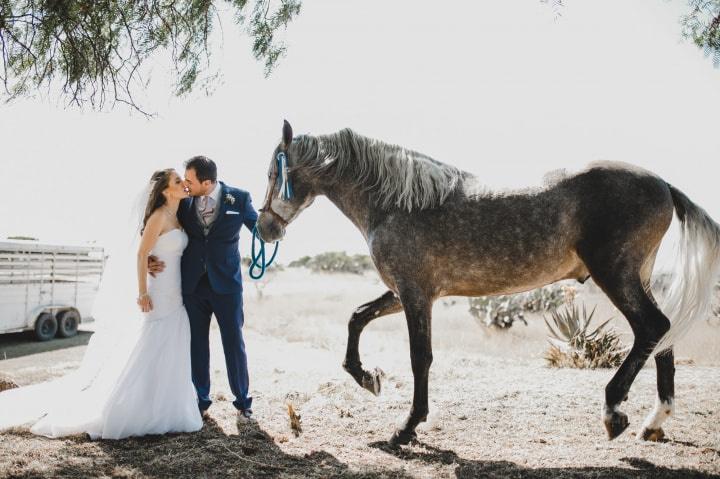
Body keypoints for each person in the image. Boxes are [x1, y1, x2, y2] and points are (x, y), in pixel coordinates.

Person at [0, 169, 203, 439]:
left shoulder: (179, 215)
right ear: (166, 191)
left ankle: (166, 405)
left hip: (175, 290)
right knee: (152, 342)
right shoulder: (158, 217)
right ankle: (129, 406)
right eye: (178, 181)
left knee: (172, 344)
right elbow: (141, 252)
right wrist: (142, 292)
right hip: (158, 291)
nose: (183, 184)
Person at [151, 156, 258, 422]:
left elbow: (261, 229)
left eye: (190, 180)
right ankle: (200, 400)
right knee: (197, 344)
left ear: (206, 182)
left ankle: (243, 403)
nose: (185, 184)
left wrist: (276, 227)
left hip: (227, 286)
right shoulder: (183, 203)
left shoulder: (240, 199)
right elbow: (157, 225)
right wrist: (150, 256)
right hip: (192, 286)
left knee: (234, 344)